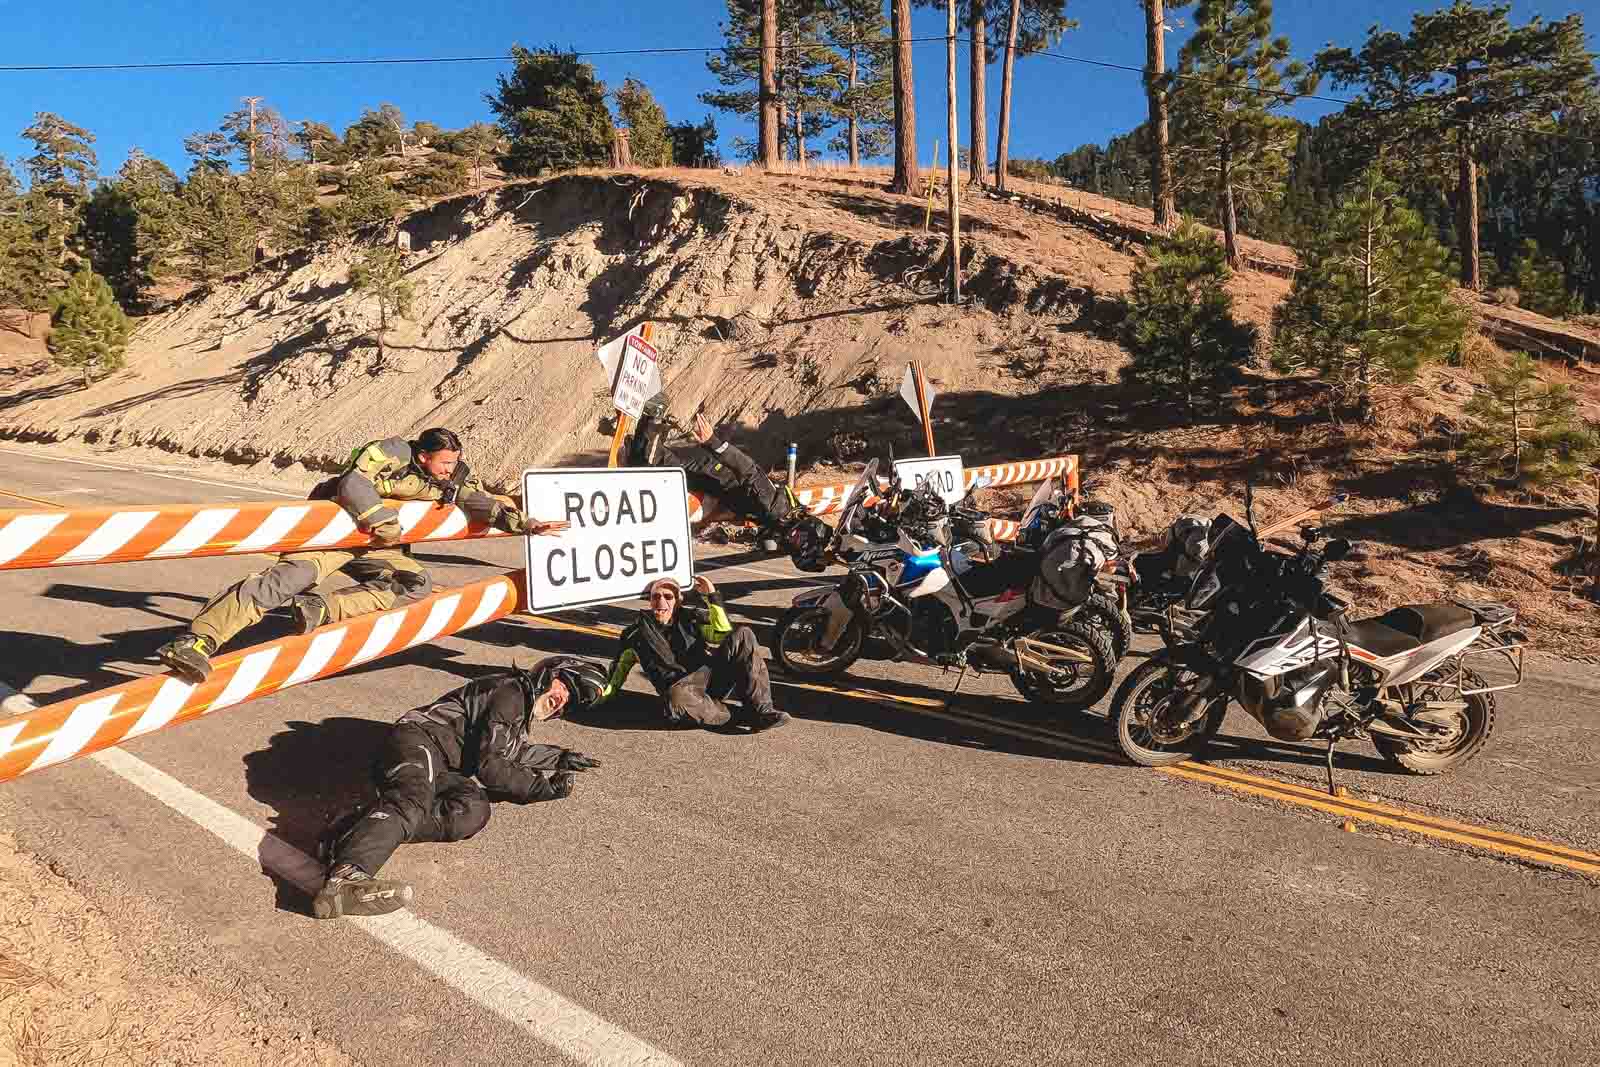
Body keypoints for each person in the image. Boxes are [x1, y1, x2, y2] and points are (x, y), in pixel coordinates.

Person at [156, 428, 567, 683]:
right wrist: (379, 517)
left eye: (453, 463)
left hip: (374, 545)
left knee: (412, 583)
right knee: (285, 580)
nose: (449, 470)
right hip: (332, 531)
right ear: (422, 456)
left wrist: (527, 524)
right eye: (443, 463)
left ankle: (317, 611)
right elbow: (353, 481)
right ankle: (195, 641)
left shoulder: (452, 473)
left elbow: (478, 500)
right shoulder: (390, 453)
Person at [314, 655, 606, 920]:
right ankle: (346, 875)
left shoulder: (518, 710)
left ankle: (353, 829)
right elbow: (492, 765)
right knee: (413, 800)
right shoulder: (511, 692)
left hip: (443, 765)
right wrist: (541, 787)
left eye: (571, 701)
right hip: (419, 741)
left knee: (472, 810)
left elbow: (512, 750)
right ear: (548, 673)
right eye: (565, 686)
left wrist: (560, 758)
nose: (563, 700)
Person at [597, 575, 790, 732]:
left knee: (744, 635)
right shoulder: (635, 634)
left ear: (678, 601)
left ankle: (761, 710)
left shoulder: (691, 619)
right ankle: (738, 716)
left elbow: (721, 633)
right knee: (677, 696)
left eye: (668, 597)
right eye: (656, 596)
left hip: (708, 680)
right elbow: (618, 672)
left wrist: (712, 596)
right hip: (681, 692)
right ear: (649, 601)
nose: (661, 602)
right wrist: (601, 698)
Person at [627, 397, 803, 550]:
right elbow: (749, 469)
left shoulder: (780, 518)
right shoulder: (776, 509)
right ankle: (655, 415)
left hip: (713, 481)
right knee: (653, 466)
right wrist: (714, 442)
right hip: (712, 470)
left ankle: (648, 424)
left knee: (643, 467)